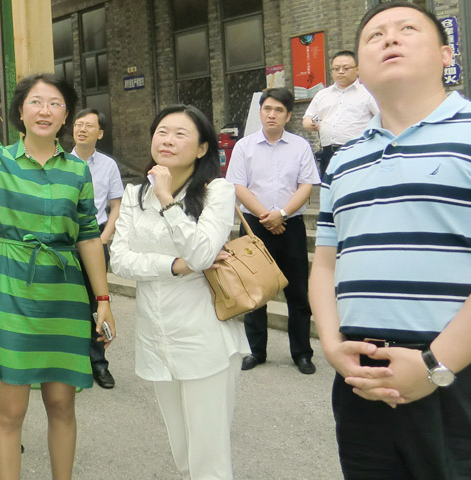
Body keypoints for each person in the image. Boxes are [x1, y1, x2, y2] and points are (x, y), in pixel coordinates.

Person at [309, 2, 471, 479]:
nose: (390, 38)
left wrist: (437, 364)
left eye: (407, 29)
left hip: (456, 375)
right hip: (361, 378)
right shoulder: (344, 160)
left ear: (446, 55)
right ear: (360, 68)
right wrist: (332, 345)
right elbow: (325, 264)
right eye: (375, 35)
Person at [0, 73, 116, 480]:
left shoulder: (78, 170)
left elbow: (89, 235)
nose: (45, 110)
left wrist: (104, 300)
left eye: (55, 103)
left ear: (65, 115)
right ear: (20, 111)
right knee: (10, 410)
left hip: (63, 293)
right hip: (10, 288)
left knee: (61, 404)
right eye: (35, 102)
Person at [110, 104, 249, 479]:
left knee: (209, 459)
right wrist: (174, 265)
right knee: (184, 452)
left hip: (204, 337)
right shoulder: (135, 194)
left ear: (203, 148)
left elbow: (202, 253)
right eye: (162, 132)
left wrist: (168, 199)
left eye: (180, 134)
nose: (167, 140)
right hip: (156, 338)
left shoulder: (217, 191)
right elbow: (119, 260)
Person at [226, 88, 320, 375]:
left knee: (298, 292)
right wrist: (266, 215)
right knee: (256, 290)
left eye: (278, 110)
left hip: (291, 225)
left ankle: (302, 353)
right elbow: (238, 186)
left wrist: (282, 214)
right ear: (260, 112)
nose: (272, 115)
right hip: (255, 226)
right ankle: (256, 351)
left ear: (288, 116)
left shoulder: (300, 146)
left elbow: (306, 185)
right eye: (267, 109)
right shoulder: (244, 146)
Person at [71, 108, 124, 389]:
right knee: (68, 304)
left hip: (96, 239)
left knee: (97, 305)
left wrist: (103, 238)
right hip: (67, 244)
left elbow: (116, 206)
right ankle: (70, 363)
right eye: (78, 124)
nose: (82, 129)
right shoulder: (61, 162)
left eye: (88, 126)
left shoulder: (108, 165)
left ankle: (98, 364)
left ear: (100, 133)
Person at [302, 50, 379, 179]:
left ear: (358, 70)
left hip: (358, 151)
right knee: (330, 187)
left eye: (346, 68)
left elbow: (383, 119)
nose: (340, 72)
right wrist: (310, 124)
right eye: (336, 69)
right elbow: (307, 118)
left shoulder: (368, 92)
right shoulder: (322, 95)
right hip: (329, 153)